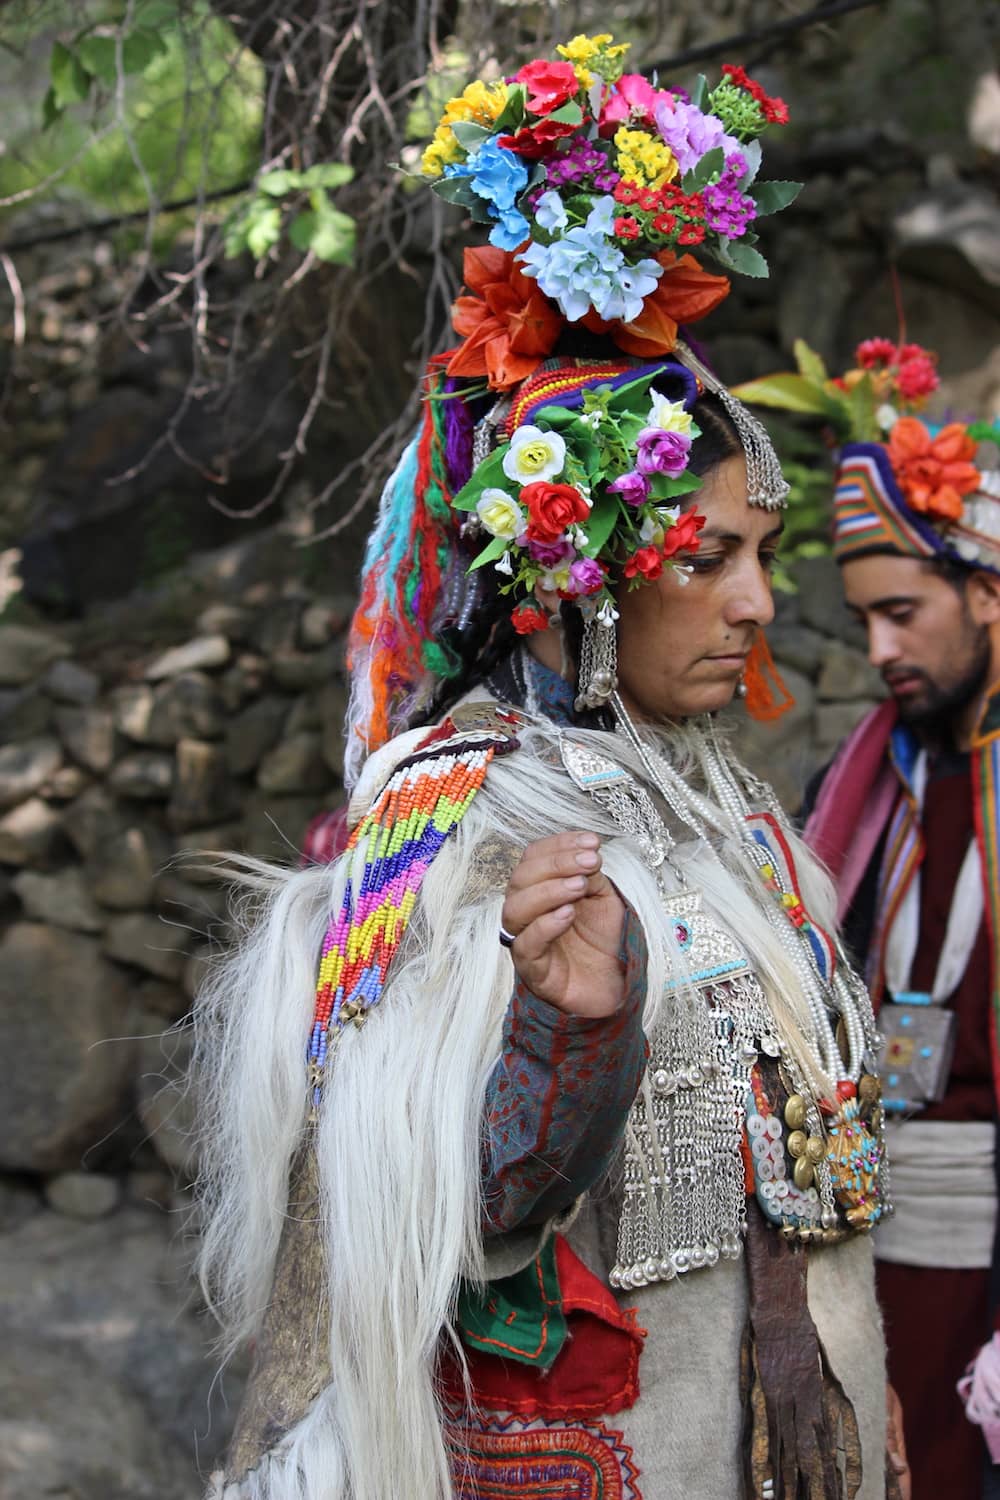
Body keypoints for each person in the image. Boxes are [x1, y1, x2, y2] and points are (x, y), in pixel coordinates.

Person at [193, 39, 896, 1500]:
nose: (762, 605)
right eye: (711, 561)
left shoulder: (742, 821)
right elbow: (392, 1231)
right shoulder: (448, 814)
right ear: (583, 580)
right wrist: (564, 1039)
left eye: (766, 558)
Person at [779, 338, 1000, 1499]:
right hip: (876, 1249)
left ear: (985, 589)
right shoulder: (854, 795)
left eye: (903, 612)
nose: (878, 650)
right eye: (864, 618)